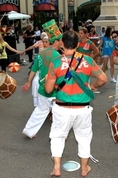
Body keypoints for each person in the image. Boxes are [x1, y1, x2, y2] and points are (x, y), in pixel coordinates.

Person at [45, 30, 107, 177]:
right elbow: (103, 79)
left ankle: (57, 168)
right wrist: (93, 87)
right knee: (84, 138)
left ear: (62, 43)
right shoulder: (88, 61)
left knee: (57, 137)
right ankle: (84, 169)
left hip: (61, 108)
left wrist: (52, 82)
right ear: (78, 44)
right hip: (82, 109)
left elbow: (48, 90)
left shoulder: (55, 62)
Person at [21, 24, 61, 139]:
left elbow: (34, 69)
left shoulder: (41, 54)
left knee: (41, 110)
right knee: (59, 111)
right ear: (56, 41)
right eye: (60, 41)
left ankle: (29, 130)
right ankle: (58, 134)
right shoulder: (57, 56)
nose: (62, 43)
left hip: (42, 87)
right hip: (53, 89)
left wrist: (28, 82)